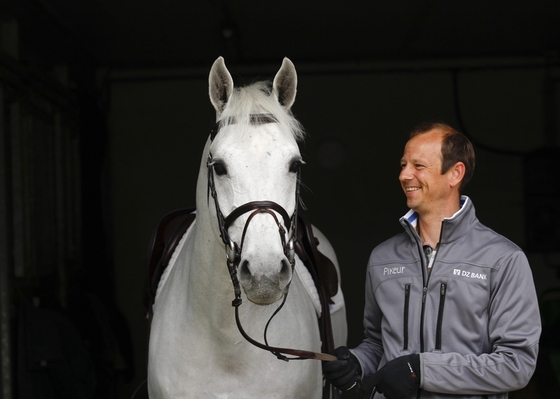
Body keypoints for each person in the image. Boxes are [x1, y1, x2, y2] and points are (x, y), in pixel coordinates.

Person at [323, 122, 541, 398]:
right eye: (403, 165)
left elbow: (516, 364)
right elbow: (377, 344)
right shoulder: (382, 258)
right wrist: (355, 362)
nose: (404, 175)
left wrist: (422, 370)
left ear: (455, 173)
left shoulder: (502, 259)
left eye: (418, 166)